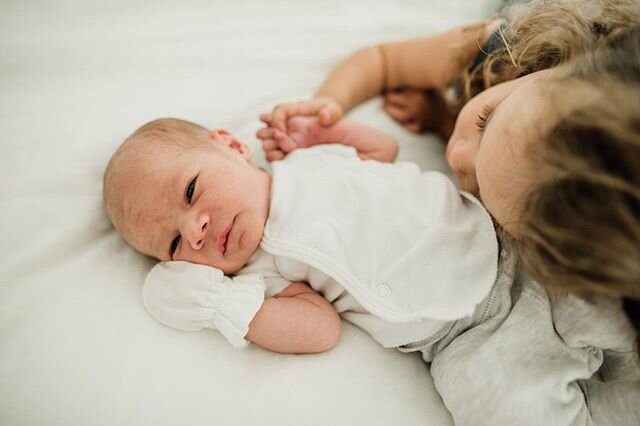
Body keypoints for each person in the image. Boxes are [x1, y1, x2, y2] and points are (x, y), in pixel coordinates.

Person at [103, 110, 639, 424]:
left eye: (192, 191)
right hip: (464, 338)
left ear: (231, 145)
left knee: (618, 314)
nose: (196, 228)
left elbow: (384, 152)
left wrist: (330, 136)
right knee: (508, 408)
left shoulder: (305, 161)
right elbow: (319, 329)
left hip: (507, 239)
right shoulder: (258, 277)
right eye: (174, 243)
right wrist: (224, 305)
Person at [259, 0, 640, 325]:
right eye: (484, 118)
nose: (454, 156)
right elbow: (383, 60)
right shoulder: (500, 46)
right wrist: (328, 105)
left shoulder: (582, 231)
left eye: (480, 191)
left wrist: (445, 119)